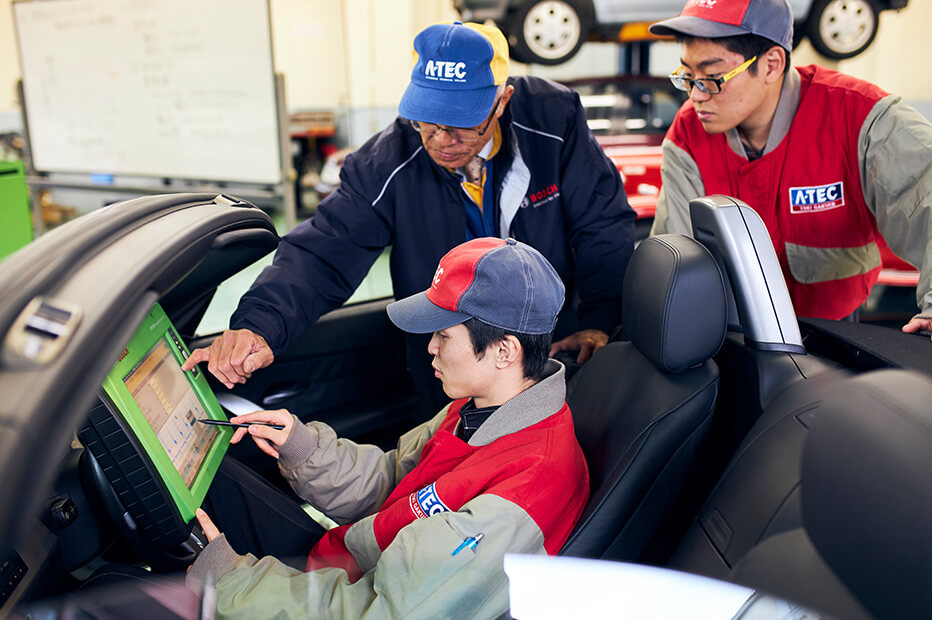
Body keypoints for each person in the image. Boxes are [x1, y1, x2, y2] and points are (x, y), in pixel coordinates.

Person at [181, 20, 635, 414]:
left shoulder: (552, 122)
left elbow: (601, 225)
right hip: (449, 367)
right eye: (426, 120)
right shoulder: (386, 162)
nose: (440, 140)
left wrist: (600, 321)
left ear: (501, 102)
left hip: (554, 350)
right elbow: (323, 252)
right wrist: (258, 325)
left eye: (460, 123)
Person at [185, 237, 590, 618]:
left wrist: (229, 583)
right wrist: (302, 447)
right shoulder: (478, 408)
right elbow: (396, 482)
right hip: (354, 561)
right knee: (214, 479)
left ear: (504, 351)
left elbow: (381, 611)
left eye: (444, 335)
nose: (431, 346)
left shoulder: (524, 490)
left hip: (361, 592)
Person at [648, 0, 932, 335]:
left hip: (835, 333)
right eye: (687, 75)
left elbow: (925, 202)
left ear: (771, 65)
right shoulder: (687, 134)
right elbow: (676, 259)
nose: (695, 95)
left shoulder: (861, 117)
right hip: (729, 337)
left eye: (712, 77)